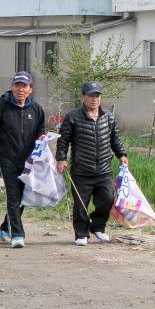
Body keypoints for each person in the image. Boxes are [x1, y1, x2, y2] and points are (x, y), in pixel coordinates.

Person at [55, 81, 128, 246]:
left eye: (97, 96)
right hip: (81, 170)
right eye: (91, 96)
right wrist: (61, 158)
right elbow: (63, 140)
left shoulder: (108, 117)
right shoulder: (72, 117)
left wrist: (121, 154)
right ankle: (81, 234)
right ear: (83, 97)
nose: (94, 99)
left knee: (108, 199)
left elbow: (115, 138)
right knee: (81, 204)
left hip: (103, 169)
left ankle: (98, 227)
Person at [0, 71, 47, 248]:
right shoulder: (0, 108)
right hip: (7, 160)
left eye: (24, 86)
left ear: (30, 89)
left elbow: (41, 131)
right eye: (17, 85)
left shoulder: (37, 109)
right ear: (12, 87)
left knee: (22, 197)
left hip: (29, 162)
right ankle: (17, 234)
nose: (20, 89)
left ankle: (5, 228)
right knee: (13, 196)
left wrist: (42, 138)